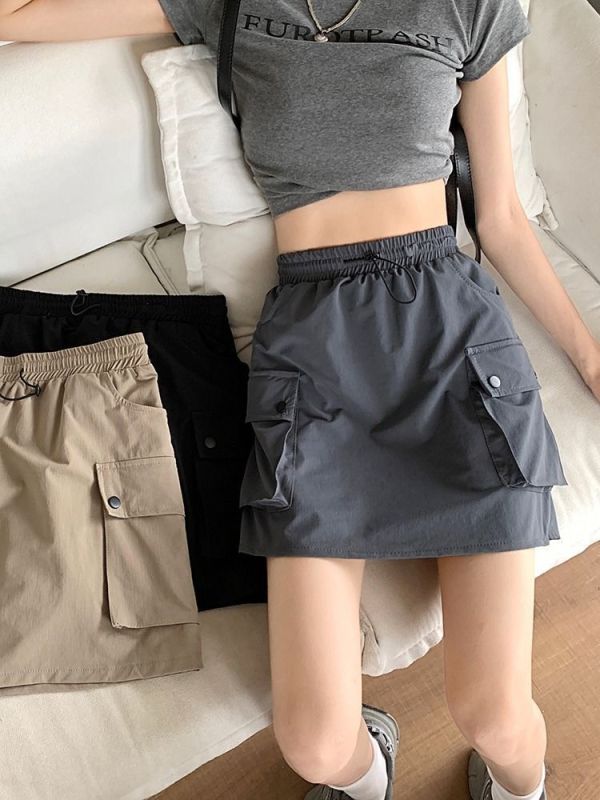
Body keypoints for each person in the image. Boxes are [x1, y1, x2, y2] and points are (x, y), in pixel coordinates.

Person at [2, 2, 599, 799]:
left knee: (492, 715)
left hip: (448, 333)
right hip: (316, 352)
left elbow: (502, 221)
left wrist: (590, 357)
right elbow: (20, 16)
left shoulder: (469, 5)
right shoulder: (226, 4)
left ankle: (522, 790)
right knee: (315, 745)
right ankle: (367, 771)